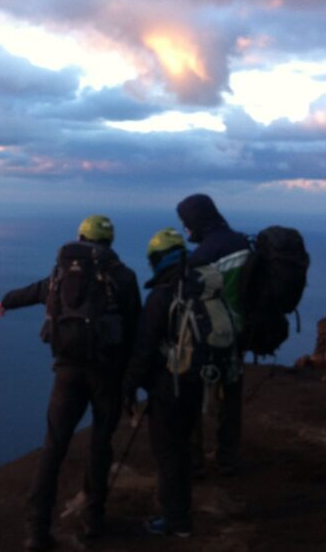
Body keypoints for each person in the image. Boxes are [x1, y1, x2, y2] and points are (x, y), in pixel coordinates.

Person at [0, 215, 141, 551]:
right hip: (107, 373)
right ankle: (93, 520)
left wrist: (4, 302)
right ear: (109, 242)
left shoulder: (62, 275)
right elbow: (134, 329)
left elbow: (35, 292)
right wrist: (134, 378)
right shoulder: (122, 276)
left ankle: (37, 530)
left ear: (80, 237)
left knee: (54, 447)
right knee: (101, 444)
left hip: (67, 372)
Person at [122, 227, 202, 538]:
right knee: (182, 449)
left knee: (168, 453)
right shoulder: (201, 284)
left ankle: (176, 521)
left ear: (158, 258)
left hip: (169, 388)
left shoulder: (163, 295)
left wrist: (129, 387)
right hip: (199, 382)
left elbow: (144, 349)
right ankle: (182, 511)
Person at [176, 193, 250, 475]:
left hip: (210, 335)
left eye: (186, 222)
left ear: (197, 221)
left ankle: (194, 461)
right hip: (240, 330)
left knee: (191, 392)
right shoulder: (242, 242)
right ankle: (228, 457)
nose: (186, 229)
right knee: (231, 395)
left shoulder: (203, 256)